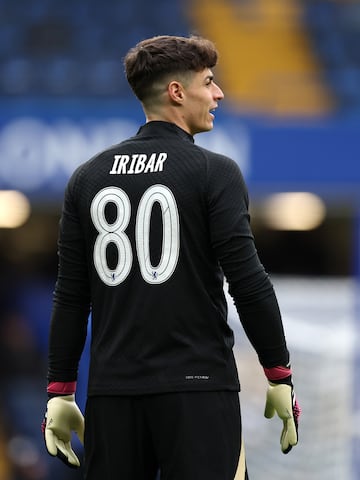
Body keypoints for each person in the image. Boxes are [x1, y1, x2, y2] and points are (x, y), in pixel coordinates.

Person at [42, 34, 300, 480]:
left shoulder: (86, 177)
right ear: (177, 92)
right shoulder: (213, 171)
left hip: (113, 394)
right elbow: (248, 282)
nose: (218, 93)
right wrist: (278, 373)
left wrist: (60, 390)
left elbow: (70, 295)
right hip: (199, 391)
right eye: (209, 82)